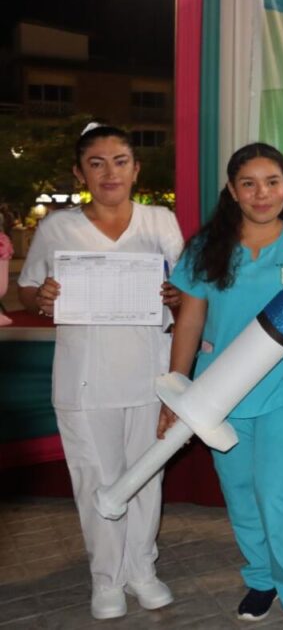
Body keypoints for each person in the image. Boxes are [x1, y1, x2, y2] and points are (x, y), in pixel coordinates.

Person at [162, 143, 283, 630]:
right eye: (249, 183)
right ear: (233, 191)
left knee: (277, 491)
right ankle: (262, 577)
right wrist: (178, 389)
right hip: (219, 391)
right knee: (240, 492)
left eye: (272, 182)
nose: (261, 193)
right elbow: (189, 322)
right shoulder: (207, 248)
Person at [18, 123, 183, 620]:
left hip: (149, 372)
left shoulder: (160, 221)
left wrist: (176, 295)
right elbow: (27, 289)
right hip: (85, 379)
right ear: (79, 172)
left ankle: (142, 570)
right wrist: (43, 297)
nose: (109, 172)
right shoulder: (57, 228)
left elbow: (186, 289)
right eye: (96, 163)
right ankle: (106, 579)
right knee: (96, 478)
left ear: (136, 169)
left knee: (146, 475)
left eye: (119, 161)